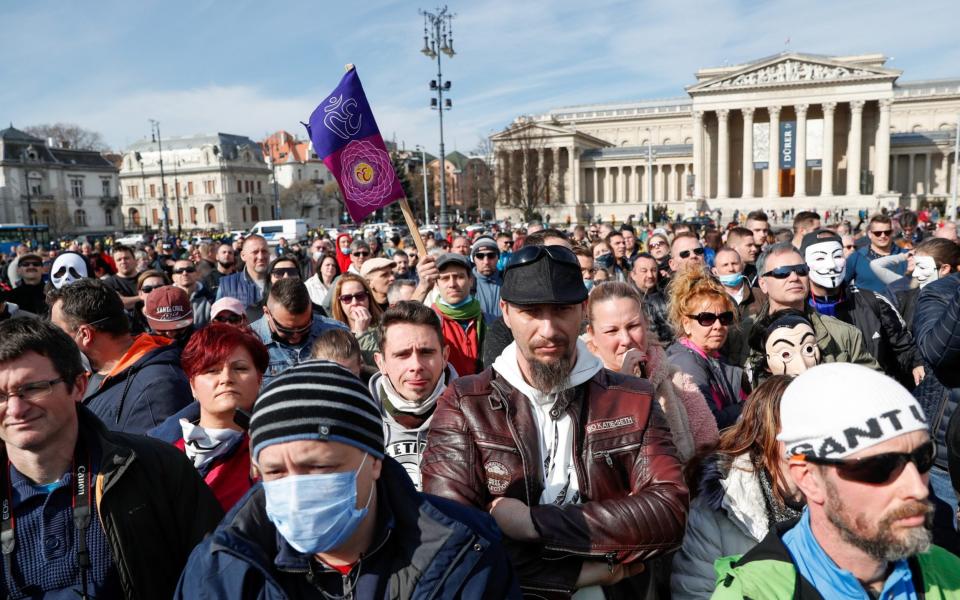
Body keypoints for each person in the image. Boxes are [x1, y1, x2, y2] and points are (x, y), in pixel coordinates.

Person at [422, 244, 688, 597]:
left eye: (561, 310)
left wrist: (532, 523)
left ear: (581, 311)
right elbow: (454, 538)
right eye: (531, 312)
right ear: (505, 312)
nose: (548, 329)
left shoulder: (632, 398)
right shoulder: (465, 404)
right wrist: (582, 571)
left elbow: (668, 514)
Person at [176, 361, 520, 599]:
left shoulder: (464, 550)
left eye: (319, 467)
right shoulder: (221, 568)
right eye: (276, 472)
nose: (296, 490)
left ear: (373, 462)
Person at [0, 318, 223, 599]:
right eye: (0, 396)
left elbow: (215, 578)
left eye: (33, 388)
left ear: (79, 386)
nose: (16, 409)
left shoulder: (154, 469)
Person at [713, 363, 960, 598]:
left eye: (923, 457)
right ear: (808, 477)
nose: (917, 488)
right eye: (881, 466)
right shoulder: (751, 594)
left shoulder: (950, 573)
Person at [672, 376, 802, 598]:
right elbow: (696, 593)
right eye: (797, 422)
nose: (812, 435)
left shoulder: (844, 494)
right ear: (763, 433)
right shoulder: (719, 507)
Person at [586, 281, 718, 462]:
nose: (626, 339)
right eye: (611, 331)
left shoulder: (677, 380)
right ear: (592, 334)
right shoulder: (582, 390)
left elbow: (709, 450)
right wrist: (624, 389)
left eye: (633, 326)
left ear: (646, 323)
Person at [48, 279, 192, 434]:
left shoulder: (159, 386)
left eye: (58, 332)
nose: (52, 340)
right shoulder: (91, 371)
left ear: (85, 334)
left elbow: (159, 454)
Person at [149, 323, 267, 511]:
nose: (226, 378)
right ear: (192, 385)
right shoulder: (156, 455)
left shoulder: (276, 451)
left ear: (259, 379)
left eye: (240, 368)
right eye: (212, 370)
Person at [725, 242, 881, 378]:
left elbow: (873, 386)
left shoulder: (844, 335)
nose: (794, 278)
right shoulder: (740, 333)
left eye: (801, 270)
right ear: (763, 283)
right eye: (782, 272)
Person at [800, 229, 922, 388]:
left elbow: (904, 346)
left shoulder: (873, 301)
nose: (831, 264)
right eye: (820, 258)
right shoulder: (797, 310)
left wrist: (917, 364)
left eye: (837, 256)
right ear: (805, 264)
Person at [370, 302, 458, 491]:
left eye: (426, 352)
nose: (416, 365)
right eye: (402, 355)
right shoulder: (359, 416)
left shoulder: (473, 413)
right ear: (381, 362)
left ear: (445, 356)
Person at [666, 264, 749, 429]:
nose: (718, 326)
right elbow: (709, 423)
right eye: (707, 318)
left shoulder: (714, 356)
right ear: (687, 324)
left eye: (724, 318)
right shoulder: (684, 363)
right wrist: (750, 406)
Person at [251, 278, 347, 386]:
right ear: (267, 313)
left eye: (304, 327)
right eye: (286, 330)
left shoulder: (336, 333)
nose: (296, 336)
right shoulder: (249, 342)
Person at [432, 253, 486, 377]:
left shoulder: (487, 320)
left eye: (459, 277)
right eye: (445, 278)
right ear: (436, 284)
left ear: (471, 280)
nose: (452, 284)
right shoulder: (429, 321)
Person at [330, 273, 384, 366]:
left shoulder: (385, 326)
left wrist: (362, 333)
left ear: (368, 297)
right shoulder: (333, 332)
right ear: (339, 303)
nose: (354, 302)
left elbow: (382, 367)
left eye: (360, 296)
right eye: (347, 298)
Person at [846, 214, 908, 293]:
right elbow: (842, 287)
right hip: (866, 304)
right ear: (870, 234)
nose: (883, 236)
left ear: (892, 233)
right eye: (878, 233)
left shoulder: (906, 256)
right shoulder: (856, 257)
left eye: (887, 232)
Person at [216, 234, 270, 309]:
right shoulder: (227, 285)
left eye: (264, 251)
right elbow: (218, 318)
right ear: (243, 256)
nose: (260, 257)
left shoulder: (279, 281)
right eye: (255, 252)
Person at [713, 247, 765, 317]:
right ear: (715, 272)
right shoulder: (710, 299)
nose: (731, 269)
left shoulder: (760, 295)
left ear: (742, 266)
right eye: (725, 265)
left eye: (734, 263)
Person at [172, 258, 214, 328]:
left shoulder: (210, 298)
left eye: (189, 270)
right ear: (173, 277)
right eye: (179, 271)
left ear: (197, 274)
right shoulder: (167, 299)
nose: (185, 273)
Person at [103, 245, 141, 312]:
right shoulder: (108, 283)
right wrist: (143, 297)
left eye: (126, 258)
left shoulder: (147, 278)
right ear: (115, 264)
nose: (123, 262)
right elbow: (120, 303)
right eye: (119, 260)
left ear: (135, 260)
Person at [471, 236, 503, 318]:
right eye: (480, 256)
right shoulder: (467, 283)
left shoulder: (508, 280)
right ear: (473, 259)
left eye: (491, 255)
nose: (486, 262)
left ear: (498, 258)